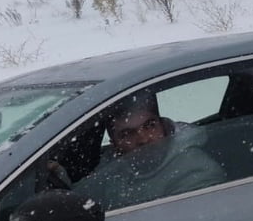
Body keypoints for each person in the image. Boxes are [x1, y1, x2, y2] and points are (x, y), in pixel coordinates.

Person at [75, 89, 225, 210]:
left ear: (162, 125)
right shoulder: (114, 164)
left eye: (150, 126)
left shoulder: (195, 170)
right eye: (127, 134)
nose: (143, 139)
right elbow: (80, 198)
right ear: (115, 144)